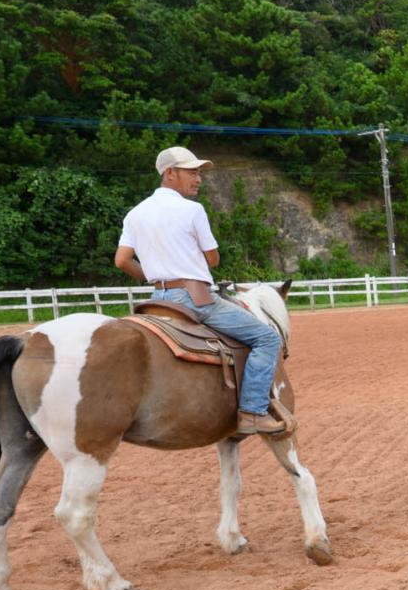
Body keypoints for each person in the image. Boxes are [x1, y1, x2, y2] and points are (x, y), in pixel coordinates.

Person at [114, 146, 287, 436]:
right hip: (195, 299)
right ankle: (253, 412)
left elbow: (121, 260)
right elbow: (213, 258)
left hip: (158, 299)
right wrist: (186, 266)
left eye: (198, 173)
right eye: (192, 172)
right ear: (170, 173)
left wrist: (158, 277)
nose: (199, 179)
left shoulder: (134, 214)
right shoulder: (193, 210)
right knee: (267, 338)